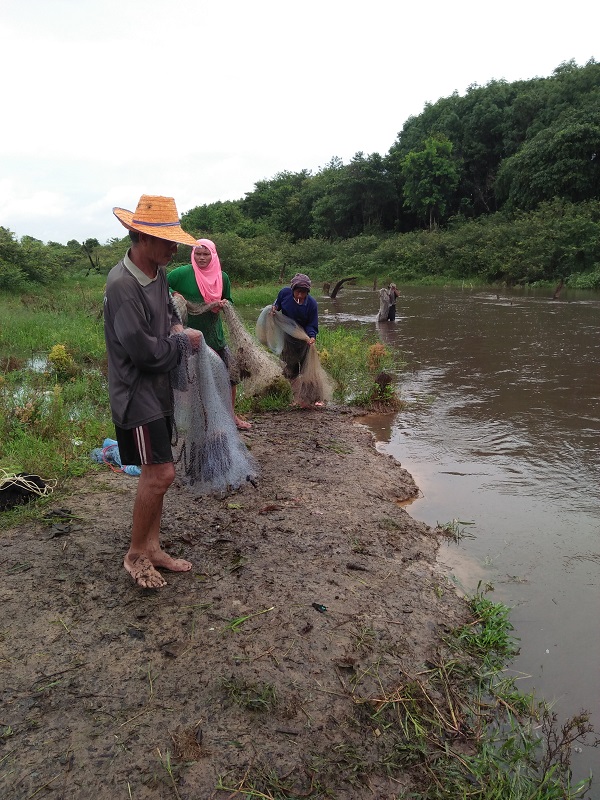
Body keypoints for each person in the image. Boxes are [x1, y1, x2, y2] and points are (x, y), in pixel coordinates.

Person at [104, 195, 202, 589]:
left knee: (156, 470)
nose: (174, 248)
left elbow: (170, 313)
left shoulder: (157, 272)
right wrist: (181, 344)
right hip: (135, 393)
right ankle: (135, 554)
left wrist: (178, 329)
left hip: (157, 390)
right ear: (142, 237)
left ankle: (153, 547)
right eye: (168, 240)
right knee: (161, 473)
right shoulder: (122, 286)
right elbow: (144, 353)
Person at [167, 238, 251, 430]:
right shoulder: (181, 273)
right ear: (192, 254)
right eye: (198, 253)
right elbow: (161, 284)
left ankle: (232, 417)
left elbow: (228, 298)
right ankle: (197, 420)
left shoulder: (223, 277)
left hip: (215, 336)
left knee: (230, 377)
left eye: (206, 254)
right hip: (190, 336)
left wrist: (222, 305)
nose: (201, 257)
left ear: (213, 255)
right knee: (193, 380)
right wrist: (174, 294)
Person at [272, 273, 319, 406]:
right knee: (289, 368)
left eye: (303, 293)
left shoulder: (312, 304)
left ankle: (308, 399)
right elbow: (278, 304)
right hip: (288, 337)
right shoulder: (284, 294)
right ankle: (293, 396)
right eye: (297, 292)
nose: (299, 296)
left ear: (307, 293)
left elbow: (312, 324)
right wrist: (274, 308)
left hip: (304, 340)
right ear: (292, 290)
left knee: (306, 369)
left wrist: (311, 336)